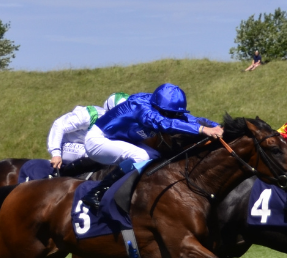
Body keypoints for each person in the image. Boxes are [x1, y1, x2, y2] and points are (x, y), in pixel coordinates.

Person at [81, 83, 222, 207]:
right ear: (158, 107)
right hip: (98, 140)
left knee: (156, 157)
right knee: (140, 156)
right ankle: (97, 192)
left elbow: (192, 119)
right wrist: (203, 130)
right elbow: (164, 123)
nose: (173, 117)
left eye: (176, 114)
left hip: (121, 140)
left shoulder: (162, 106)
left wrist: (218, 127)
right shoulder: (141, 107)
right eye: (170, 114)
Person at [47, 92, 129, 170]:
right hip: (64, 145)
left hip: (88, 146)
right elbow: (59, 124)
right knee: (95, 153)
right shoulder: (90, 114)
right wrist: (56, 154)